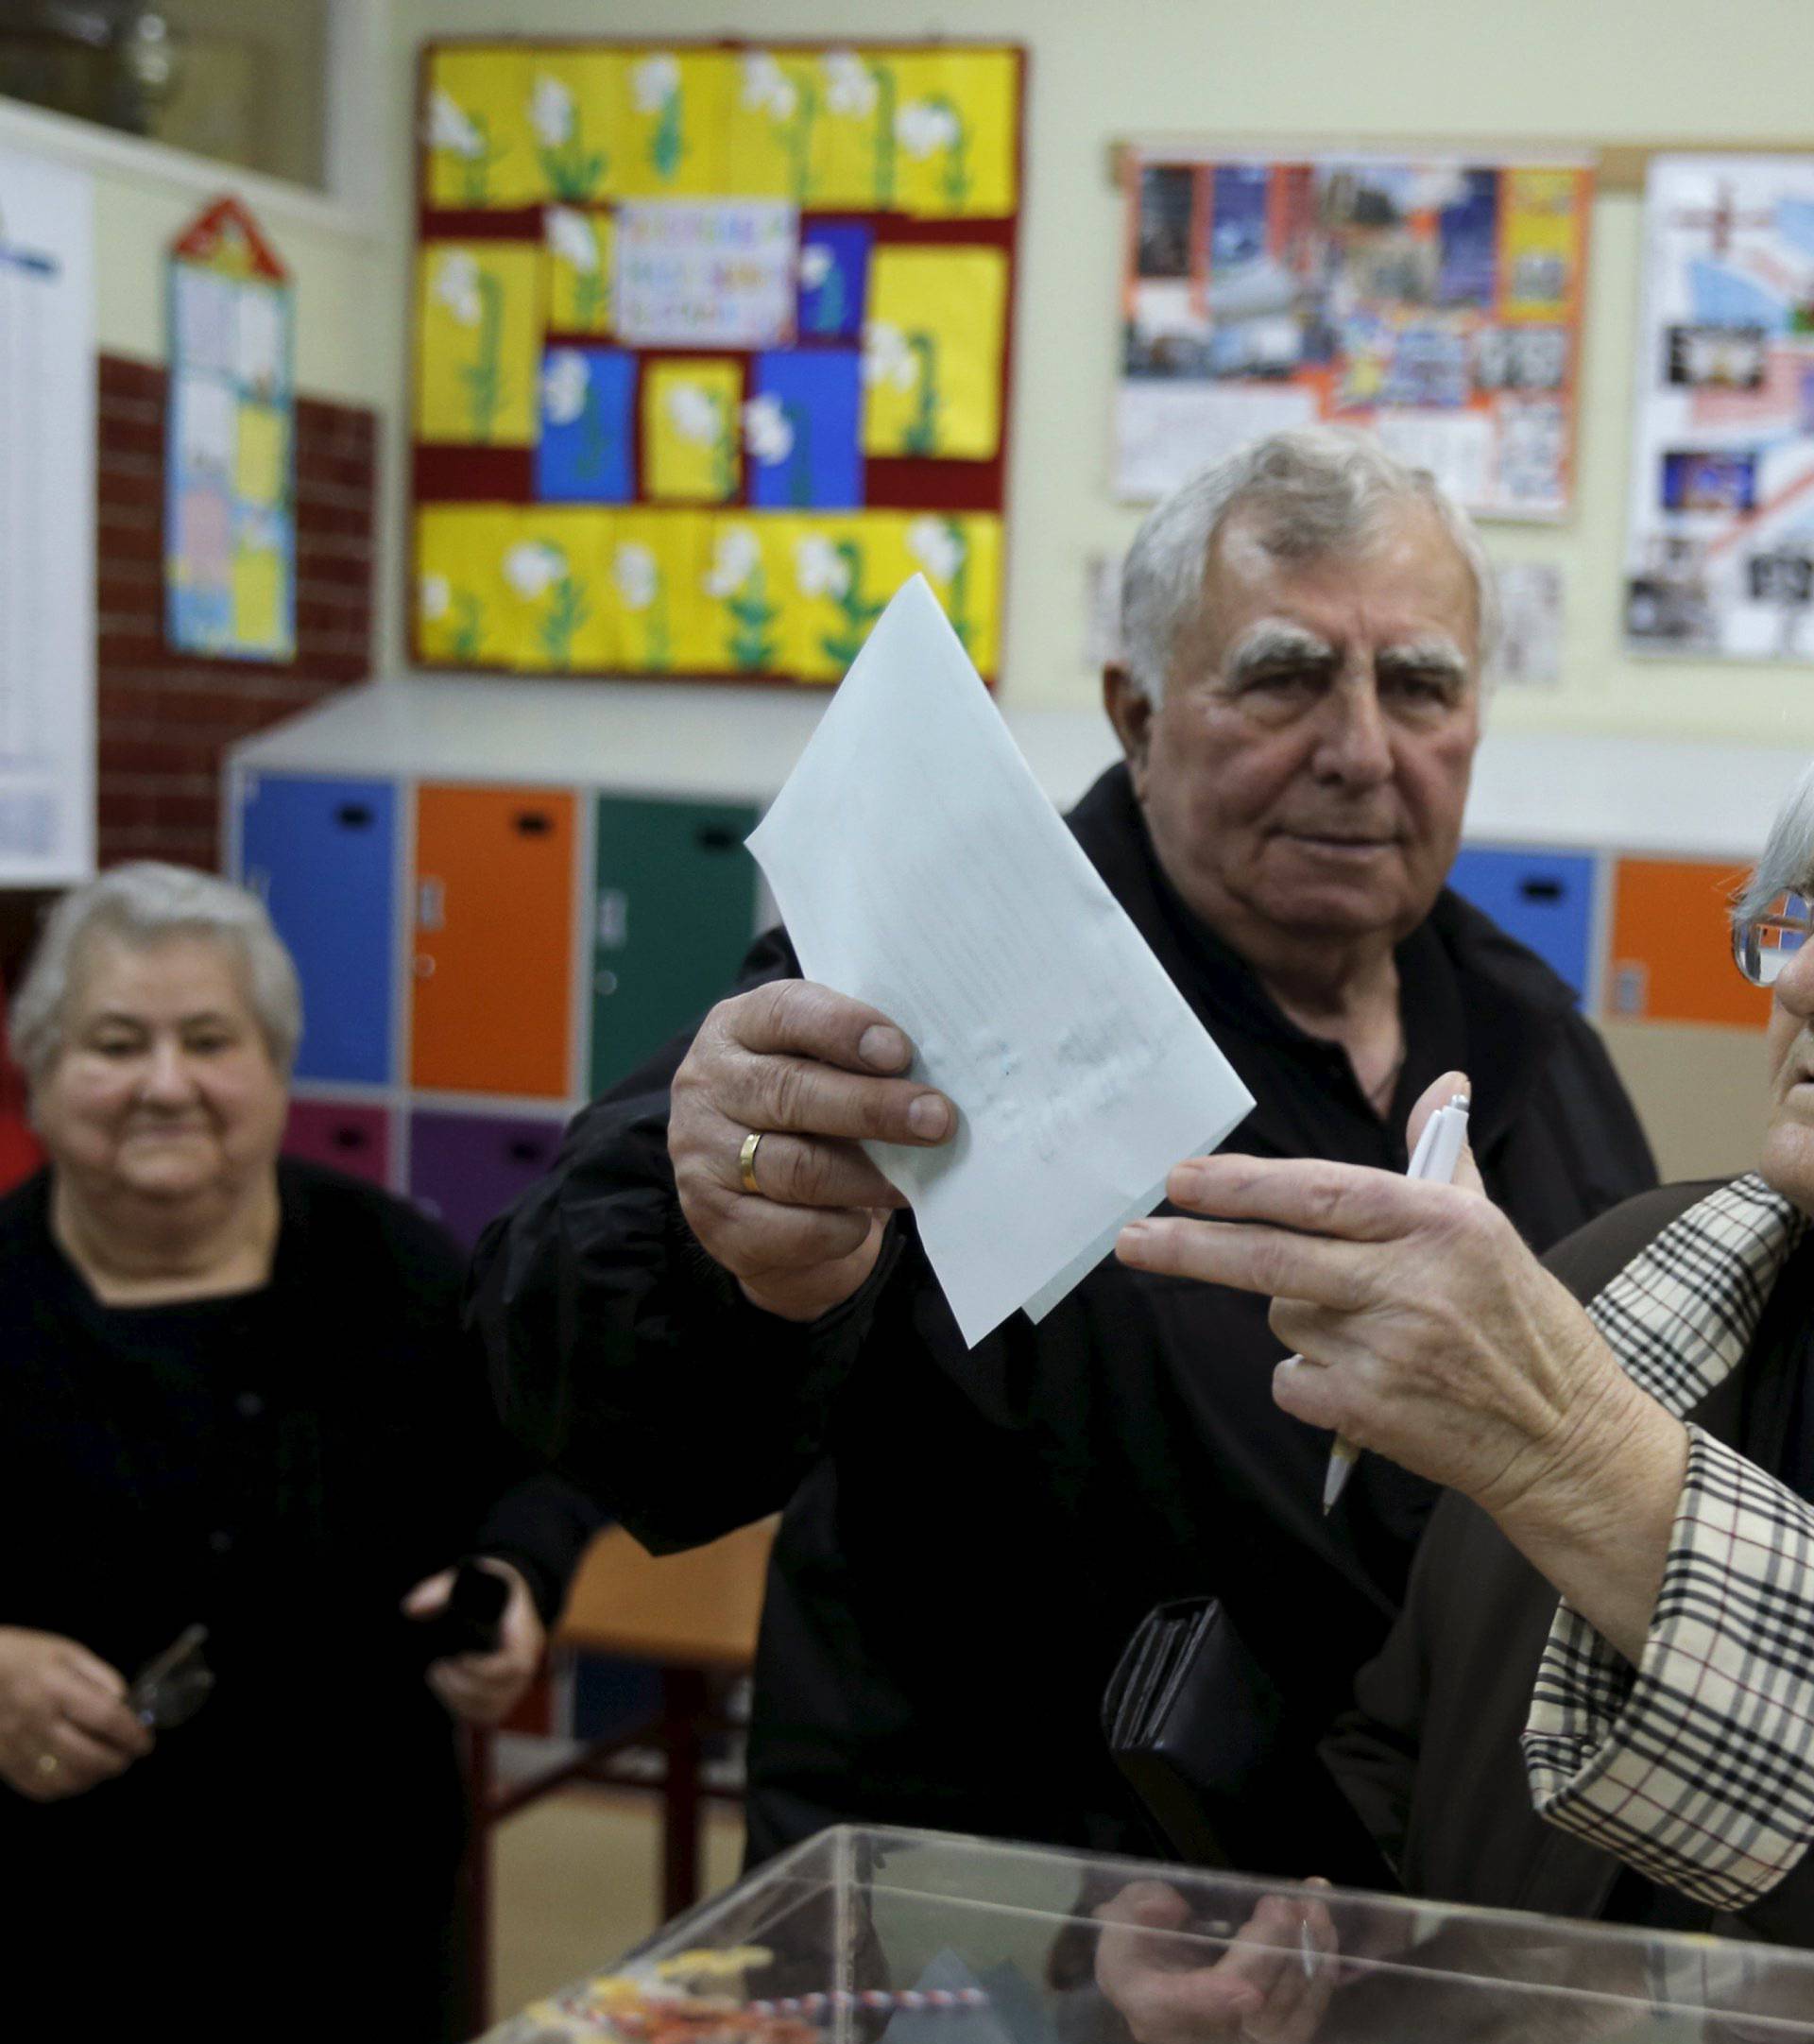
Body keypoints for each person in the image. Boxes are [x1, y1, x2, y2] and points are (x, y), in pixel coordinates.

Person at [469, 428, 1655, 1864]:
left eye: (1418, 687)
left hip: (1408, 1908)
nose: (1358, 750)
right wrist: (735, 1239)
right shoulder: (944, 969)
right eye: (1283, 677)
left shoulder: (1531, 1035)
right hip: (999, 1930)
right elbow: (590, 1381)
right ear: (1136, 712)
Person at [1111, 756, 1814, 1957]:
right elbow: (1413, 1759)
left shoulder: (1562, 1367)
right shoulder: (1615, 1281)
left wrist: (1577, 1449)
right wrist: (1306, 1961)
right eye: (1801, 917)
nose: (1799, 981)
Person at [1, 865, 602, 2044]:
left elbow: (545, 1464)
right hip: (50, 1975)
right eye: (115, 1043)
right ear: (35, 1073)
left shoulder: (393, 1266)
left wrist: (513, 1577)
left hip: (355, 1947)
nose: (167, 1083)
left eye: (210, 1041)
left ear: (275, 1070)